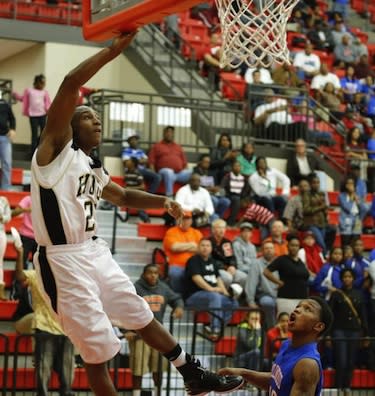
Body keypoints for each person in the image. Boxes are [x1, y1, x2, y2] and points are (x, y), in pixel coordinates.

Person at [29, 33, 243, 396]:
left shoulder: (91, 167)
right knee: (99, 352)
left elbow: (124, 195)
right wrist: (113, 51)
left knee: (139, 313)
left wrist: (164, 202)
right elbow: (70, 83)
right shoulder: (52, 154)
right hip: (63, 260)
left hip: (93, 252)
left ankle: (191, 371)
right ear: (68, 127)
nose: (96, 122)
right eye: (87, 117)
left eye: (98, 118)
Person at [219, 296, 334, 395]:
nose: (298, 310)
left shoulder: (307, 364)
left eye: (307, 309)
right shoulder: (287, 344)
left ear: (318, 326)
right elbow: (277, 382)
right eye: (298, 306)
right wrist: (244, 373)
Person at [14, 232, 75, 396]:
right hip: (44, 327)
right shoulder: (35, 275)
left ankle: (66, 393)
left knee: (67, 370)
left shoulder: (67, 277)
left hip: (66, 328)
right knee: (44, 368)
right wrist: (20, 254)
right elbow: (19, 276)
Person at [124, 263, 184, 396]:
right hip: (139, 334)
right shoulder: (135, 288)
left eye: (156, 273)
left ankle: (158, 392)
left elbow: (176, 298)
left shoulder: (163, 288)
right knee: (138, 367)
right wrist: (125, 330)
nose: (153, 275)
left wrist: (179, 306)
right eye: (150, 273)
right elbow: (124, 309)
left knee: (159, 367)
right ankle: (136, 393)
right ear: (143, 274)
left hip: (158, 335)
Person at [184, 238, 239, 341]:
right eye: (203, 245)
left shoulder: (212, 261)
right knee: (215, 296)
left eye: (208, 246)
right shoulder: (193, 260)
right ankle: (216, 329)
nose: (205, 248)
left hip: (211, 295)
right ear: (198, 248)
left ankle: (217, 327)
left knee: (233, 303)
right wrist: (212, 289)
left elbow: (218, 278)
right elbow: (197, 278)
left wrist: (225, 292)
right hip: (194, 296)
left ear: (211, 248)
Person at [329, 268, 368, 394]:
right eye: (345, 277)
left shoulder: (359, 294)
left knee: (351, 360)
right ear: (341, 279)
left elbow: (363, 315)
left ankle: (347, 386)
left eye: (349, 277)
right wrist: (328, 334)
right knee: (341, 359)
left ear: (353, 279)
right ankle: (338, 386)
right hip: (339, 330)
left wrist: (366, 334)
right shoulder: (336, 294)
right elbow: (330, 315)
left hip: (354, 330)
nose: (347, 279)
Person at [264, 234, 310, 315]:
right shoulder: (282, 259)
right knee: (285, 324)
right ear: (288, 246)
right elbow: (266, 272)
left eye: (296, 245)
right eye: (292, 245)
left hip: (302, 299)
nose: (294, 247)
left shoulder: (301, 262)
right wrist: (278, 282)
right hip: (286, 298)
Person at [163, 211, 203, 294]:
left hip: (195, 265)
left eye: (187, 219)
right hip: (177, 265)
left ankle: (193, 296)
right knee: (175, 273)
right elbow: (174, 247)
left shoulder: (197, 233)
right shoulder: (171, 232)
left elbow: (202, 249)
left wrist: (182, 247)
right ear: (178, 220)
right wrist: (192, 245)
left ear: (191, 220)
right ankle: (178, 296)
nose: (185, 221)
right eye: (183, 219)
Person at [148, 125, 192, 197]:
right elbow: (151, 162)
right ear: (164, 134)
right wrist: (154, 174)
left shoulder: (178, 147)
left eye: (171, 132)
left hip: (178, 173)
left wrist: (185, 171)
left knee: (191, 173)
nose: (169, 134)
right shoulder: (157, 146)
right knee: (169, 172)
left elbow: (185, 163)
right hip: (163, 172)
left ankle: (189, 197)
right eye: (167, 132)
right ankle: (169, 196)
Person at [14, 74, 51, 155]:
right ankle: (33, 153)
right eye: (42, 83)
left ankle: (41, 151)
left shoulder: (44, 92)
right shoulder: (29, 91)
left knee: (43, 134)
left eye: (44, 83)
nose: (43, 85)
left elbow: (48, 104)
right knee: (34, 134)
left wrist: (50, 111)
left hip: (42, 115)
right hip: (33, 116)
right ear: (37, 82)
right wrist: (15, 95)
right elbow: (23, 98)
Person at [245, 241, 278, 330]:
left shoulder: (280, 262)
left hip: (280, 295)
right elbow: (251, 282)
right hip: (264, 294)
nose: (269, 250)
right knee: (267, 303)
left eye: (271, 248)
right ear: (262, 251)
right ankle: (272, 330)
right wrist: (250, 300)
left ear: (274, 250)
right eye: (266, 248)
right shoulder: (256, 263)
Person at [209, 219, 247, 289]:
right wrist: (225, 268)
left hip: (228, 268)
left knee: (243, 277)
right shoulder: (208, 242)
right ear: (213, 230)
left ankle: (235, 297)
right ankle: (224, 296)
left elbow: (231, 257)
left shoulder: (226, 242)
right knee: (228, 278)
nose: (222, 230)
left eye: (224, 228)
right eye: (219, 227)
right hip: (215, 269)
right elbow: (209, 259)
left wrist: (232, 266)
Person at [11, 191, 37, 269]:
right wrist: (25, 209)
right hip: (26, 236)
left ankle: (37, 281)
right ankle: (18, 281)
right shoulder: (28, 199)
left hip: (40, 238)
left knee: (38, 265)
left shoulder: (45, 201)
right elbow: (13, 213)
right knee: (21, 262)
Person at [123, 157, 150, 223]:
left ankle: (147, 221)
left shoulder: (137, 173)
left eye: (129, 161)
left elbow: (142, 187)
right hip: (129, 194)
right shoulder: (126, 172)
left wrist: (130, 189)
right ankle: (125, 219)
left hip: (137, 194)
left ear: (133, 164)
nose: (127, 162)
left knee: (139, 209)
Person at [0, 94, 16, 190]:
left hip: (5, 137)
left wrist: (13, 129)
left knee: (7, 163)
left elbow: (12, 118)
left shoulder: (5, 104)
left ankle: (5, 188)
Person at [0, 195, 11, 299]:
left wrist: (2, 217)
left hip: (0, 232)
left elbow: (8, 217)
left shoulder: (3, 200)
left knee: (0, 262)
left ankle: (0, 291)